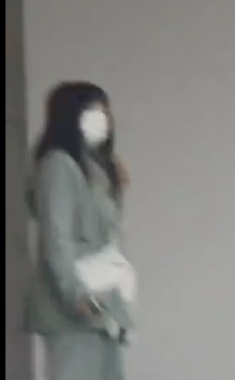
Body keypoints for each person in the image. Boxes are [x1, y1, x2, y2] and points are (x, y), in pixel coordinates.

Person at [24, 81, 136, 380]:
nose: (105, 119)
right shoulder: (58, 165)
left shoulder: (93, 167)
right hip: (75, 306)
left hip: (102, 303)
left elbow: (106, 233)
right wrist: (76, 295)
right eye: (95, 111)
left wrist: (116, 190)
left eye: (106, 112)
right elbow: (56, 237)